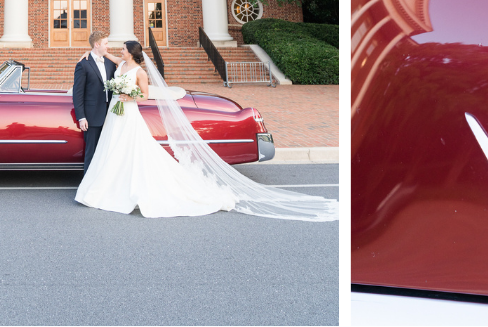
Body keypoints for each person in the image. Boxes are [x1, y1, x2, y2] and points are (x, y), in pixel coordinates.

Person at [73, 38, 337, 221]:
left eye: (122, 49)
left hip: (128, 112)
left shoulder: (140, 71)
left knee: (132, 148)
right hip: (116, 114)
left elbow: (144, 95)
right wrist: (90, 54)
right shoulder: (120, 65)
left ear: (131, 52)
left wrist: (129, 97)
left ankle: (129, 187)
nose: (118, 51)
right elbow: (103, 57)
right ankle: (109, 184)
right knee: (113, 148)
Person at [71, 28, 116, 174]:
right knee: (91, 152)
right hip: (92, 117)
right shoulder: (83, 65)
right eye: (106, 43)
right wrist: (81, 117)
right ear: (97, 44)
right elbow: (78, 93)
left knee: (108, 152)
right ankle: (88, 187)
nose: (108, 46)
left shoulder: (110, 64)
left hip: (110, 115)